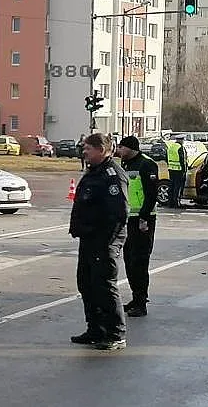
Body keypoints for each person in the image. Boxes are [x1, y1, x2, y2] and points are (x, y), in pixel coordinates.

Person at [69, 133, 128, 350]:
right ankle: (95, 329)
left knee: (104, 285)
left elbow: (119, 212)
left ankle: (115, 333)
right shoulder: (94, 172)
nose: (84, 152)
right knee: (86, 283)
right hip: (89, 239)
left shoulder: (112, 175)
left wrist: (105, 239)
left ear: (101, 150)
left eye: (88, 149)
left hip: (104, 240)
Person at [115, 136, 159, 317]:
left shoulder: (146, 164)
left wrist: (144, 218)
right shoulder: (125, 164)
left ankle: (141, 302)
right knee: (129, 260)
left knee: (140, 261)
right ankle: (135, 297)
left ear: (131, 148)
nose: (119, 150)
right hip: (128, 219)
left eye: (121, 147)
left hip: (143, 220)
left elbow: (151, 194)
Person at [165, 136, 188, 209]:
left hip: (171, 169)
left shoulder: (170, 147)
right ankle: (176, 203)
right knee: (177, 187)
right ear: (181, 140)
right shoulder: (180, 148)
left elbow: (166, 158)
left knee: (171, 186)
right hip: (179, 170)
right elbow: (183, 160)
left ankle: (170, 203)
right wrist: (184, 170)